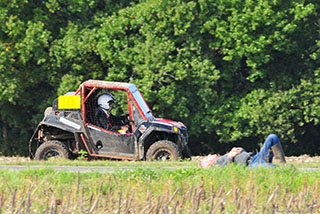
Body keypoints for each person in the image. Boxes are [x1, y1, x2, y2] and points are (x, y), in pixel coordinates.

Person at [200, 134, 286, 168]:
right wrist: (230, 156)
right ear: (208, 164)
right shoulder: (217, 165)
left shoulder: (223, 157)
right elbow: (226, 168)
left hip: (255, 156)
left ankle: (282, 163)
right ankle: (284, 169)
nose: (210, 154)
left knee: (272, 137)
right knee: (275, 168)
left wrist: (240, 150)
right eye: (208, 157)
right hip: (251, 163)